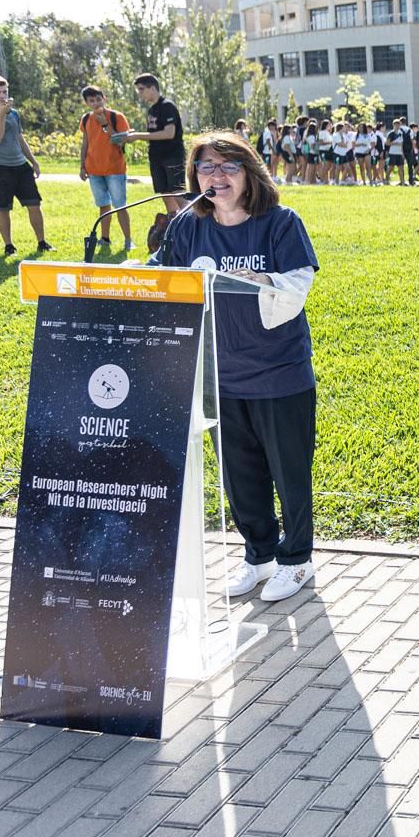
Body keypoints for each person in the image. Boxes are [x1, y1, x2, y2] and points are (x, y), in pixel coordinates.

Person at [150, 131, 320, 602]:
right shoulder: (186, 225)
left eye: (228, 167)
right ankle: (260, 555)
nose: (216, 176)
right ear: (194, 176)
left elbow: (298, 282)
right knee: (239, 473)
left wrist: (261, 278)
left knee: (289, 472)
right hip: (217, 373)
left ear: (250, 173)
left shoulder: (281, 223)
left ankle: (297, 560)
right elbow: (162, 273)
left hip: (277, 372)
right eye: (206, 167)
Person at [0, 74, 51, 256]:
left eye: (5, 91)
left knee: (34, 204)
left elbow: (19, 137)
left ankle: (42, 242)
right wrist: (0, 114)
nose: (2, 96)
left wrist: (33, 161)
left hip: (20, 164)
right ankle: (9, 245)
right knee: (3, 207)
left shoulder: (14, 113)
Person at [79, 86, 133, 253]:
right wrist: (82, 165)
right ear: (86, 102)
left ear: (104, 98)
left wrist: (105, 124)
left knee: (120, 205)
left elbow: (120, 141)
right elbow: (85, 142)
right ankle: (105, 238)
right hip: (94, 169)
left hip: (115, 169)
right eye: (91, 101)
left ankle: (128, 240)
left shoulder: (117, 117)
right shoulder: (86, 119)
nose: (95, 103)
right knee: (103, 205)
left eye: (98, 99)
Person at [129, 73, 187, 217]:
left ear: (153, 88)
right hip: (157, 157)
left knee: (178, 193)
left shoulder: (167, 106)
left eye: (141, 89)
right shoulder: (151, 110)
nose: (139, 94)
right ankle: (173, 224)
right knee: (165, 194)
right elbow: (154, 133)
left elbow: (169, 133)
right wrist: (134, 133)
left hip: (172, 156)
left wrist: (138, 136)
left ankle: (189, 224)